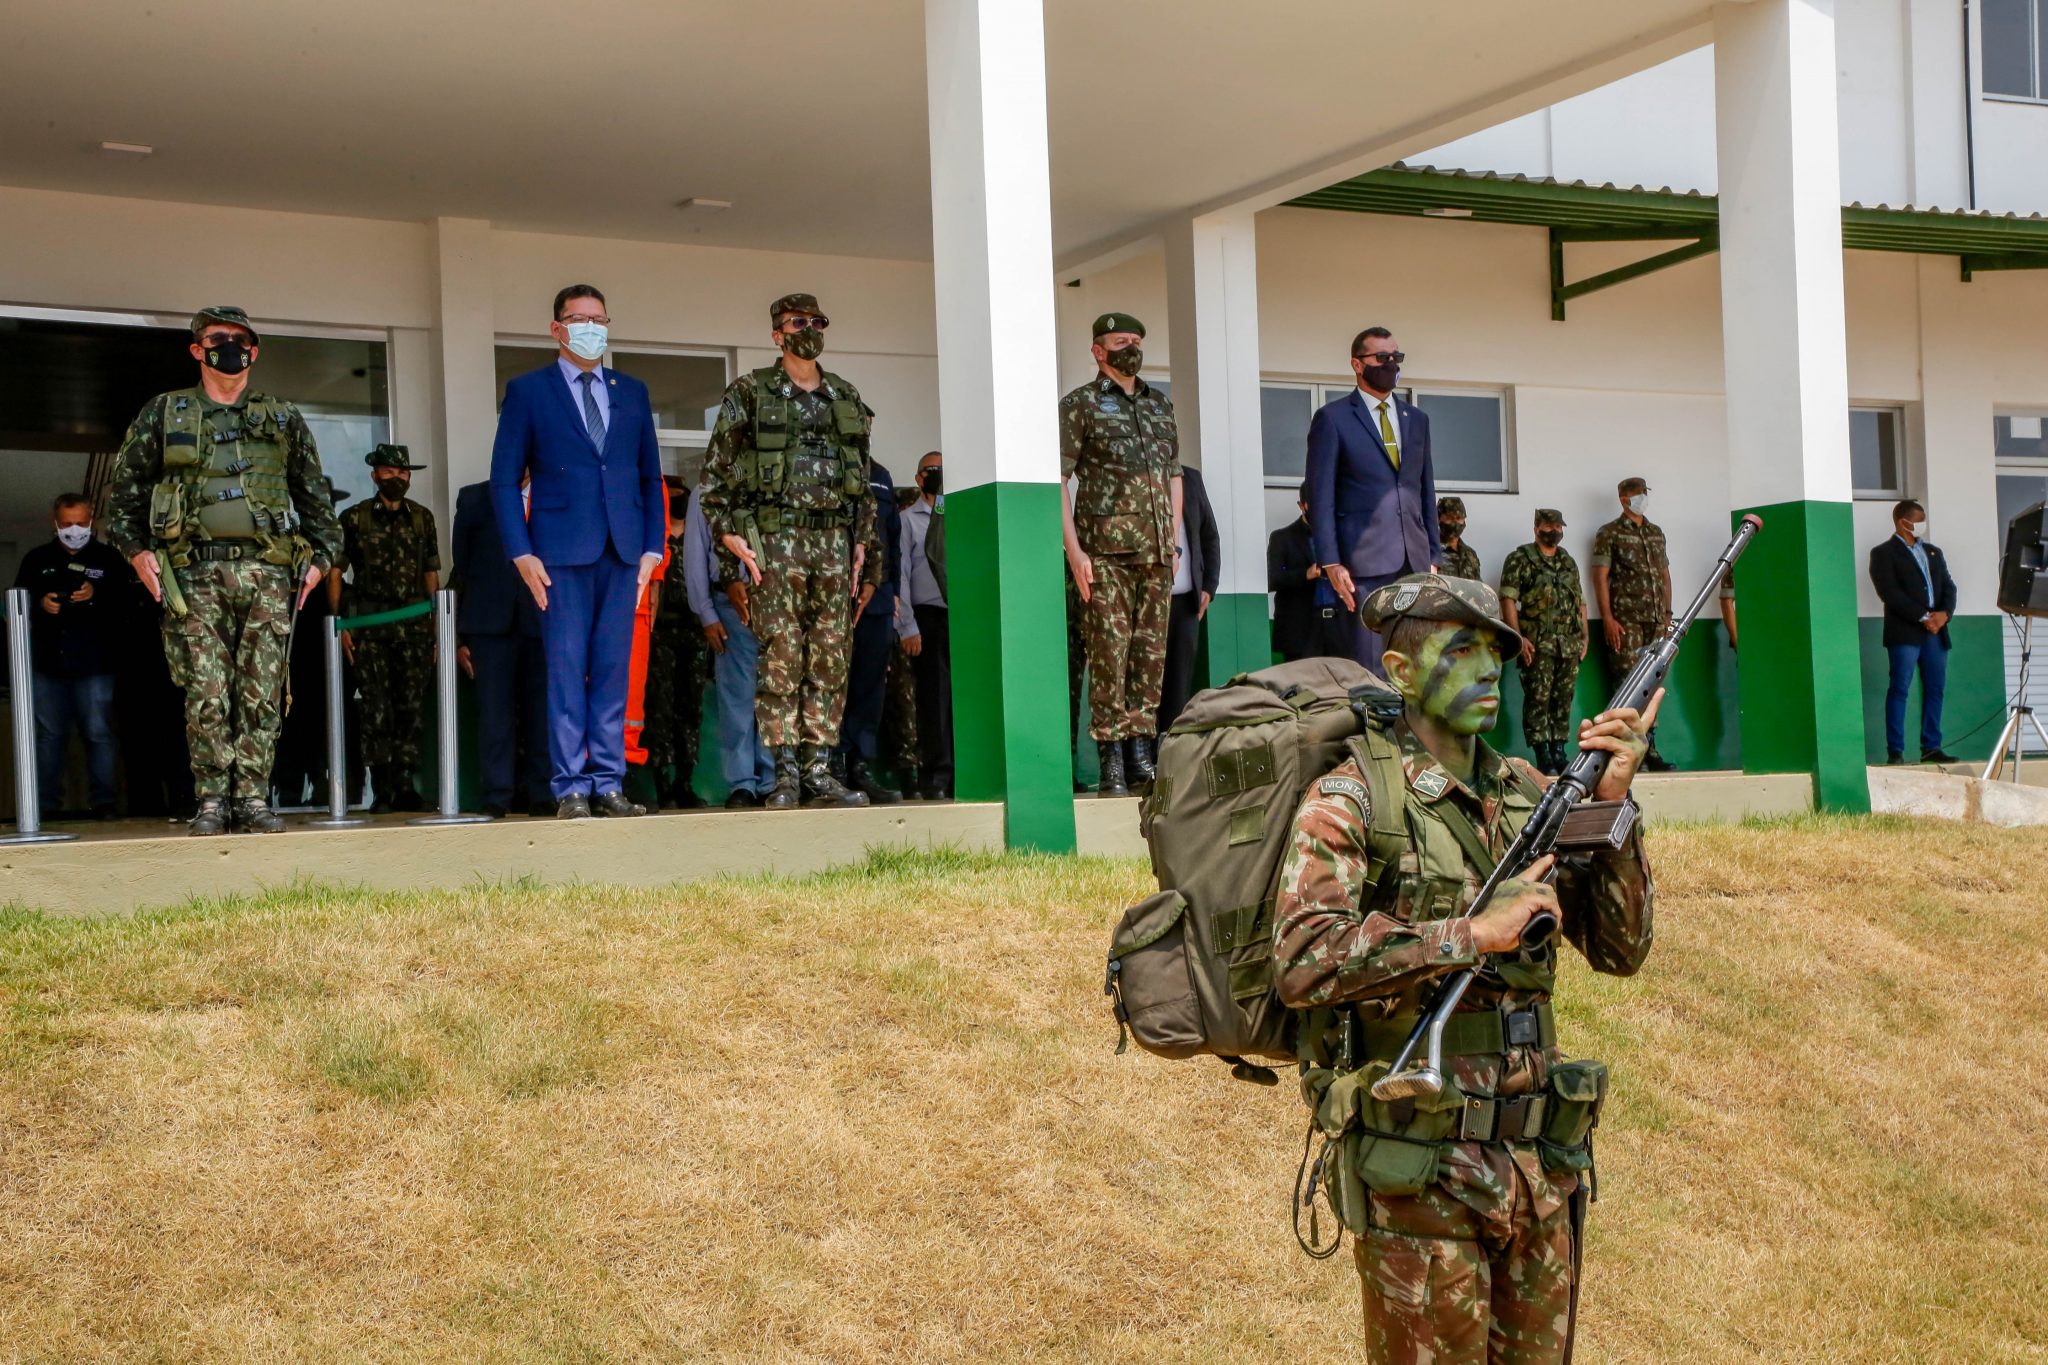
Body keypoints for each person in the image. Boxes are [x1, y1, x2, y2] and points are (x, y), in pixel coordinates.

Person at [1273, 573, 1655, 1365]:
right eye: (1461, 650)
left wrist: (1615, 810)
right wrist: (1472, 933)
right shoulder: (1353, 798)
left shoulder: (1530, 794)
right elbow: (1304, 958)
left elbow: (1621, 951)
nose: (1488, 669)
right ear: (1403, 673)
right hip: (1424, 1171)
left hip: (1539, 1166)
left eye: (1495, 652)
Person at [105, 305, 342, 836]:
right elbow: (123, 499)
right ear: (196, 348)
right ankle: (212, 799)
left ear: (254, 350)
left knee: (261, 693)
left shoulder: (283, 417)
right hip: (193, 576)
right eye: (217, 338)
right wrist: (138, 554)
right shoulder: (164, 414)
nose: (228, 346)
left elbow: (316, 501)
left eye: (239, 339)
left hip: (268, 573)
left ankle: (253, 797)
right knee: (207, 692)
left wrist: (319, 561)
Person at [489, 284, 664, 819]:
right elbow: (502, 480)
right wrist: (521, 552)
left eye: (598, 318)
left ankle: (608, 784)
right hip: (559, 555)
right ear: (556, 329)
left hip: (622, 552)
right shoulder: (529, 390)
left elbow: (646, 474)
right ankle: (570, 788)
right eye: (578, 318)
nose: (590, 327)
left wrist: (653, 548)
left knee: (613, 670)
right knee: (566, 671)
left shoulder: (631, 390)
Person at [699, 292, 875, 810]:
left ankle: (821, 772)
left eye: (817, 321)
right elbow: (716, 480)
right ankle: (785, 777)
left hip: (834, 543)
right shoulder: (750, 392)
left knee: (829, 659)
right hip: (775, 543)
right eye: (798, 322)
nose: (809, 329)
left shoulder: (845, 395)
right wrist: (730, 543)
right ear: (777, 334)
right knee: (780, 659)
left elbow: (862, 484)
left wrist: (862, 544)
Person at [1059, 311, 1182, 796]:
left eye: (1135, 340)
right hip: (1104, 554)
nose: (1129, 347)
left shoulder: (1159, 406)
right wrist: (1074, 551)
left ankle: (1140, 750)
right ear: (1097, 351)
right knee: (1109, 655)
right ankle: (1110, 754)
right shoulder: (1080, 405)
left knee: (1149, 656)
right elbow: (1057, 479)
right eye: (1118, 341)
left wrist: (1173, 541)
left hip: (1155, 552)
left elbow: (1175, 476)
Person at [1304, 327, 1439, 675]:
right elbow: (1321, 496)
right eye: (1381, 358)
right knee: (1371, 668)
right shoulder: (1333, 419)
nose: (1391, 364)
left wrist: (1434, 554)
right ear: (1357, 364)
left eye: (1396, 357)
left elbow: (1425, 491)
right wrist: (1331, 561)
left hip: (1415, 563)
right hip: (1362, 567)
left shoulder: (1417, 420)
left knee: (1417, 662)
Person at [332, 444, 437, 812]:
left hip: (413, 627)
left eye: (403, 473)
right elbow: (335, 573)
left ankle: (407, 785)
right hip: (369, 628)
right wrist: (339, 623)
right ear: (375, 474)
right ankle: (382, 790)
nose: (397, 479)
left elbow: (430, 575)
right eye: (389, 472)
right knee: (375, 709)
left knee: (410, 707)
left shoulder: (422, 518)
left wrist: (437, 627)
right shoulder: (354, 518)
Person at [13, 493, 127, 819]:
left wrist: (95, 595)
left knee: (99, 733)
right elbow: (15, 605)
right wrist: (42, 603)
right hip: (48, 665)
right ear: (55, 523)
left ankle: (104, 804)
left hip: (96, 665)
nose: (74, 529)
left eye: (80, 523)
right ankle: (44, 807)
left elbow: (126, 605)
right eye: (67, 524)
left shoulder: (109, 559)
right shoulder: (36, 559)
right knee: (48, 738)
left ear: (91, 521)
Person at [453, 477, 551, 817]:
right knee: (495, 713)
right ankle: (497, 795)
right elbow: (462, 562)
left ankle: (542, 793)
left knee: (542, 713)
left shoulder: (553, 491)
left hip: (541, 620)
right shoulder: (475, 497)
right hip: (489, 622)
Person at [679, 483, 775, 809]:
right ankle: (743, 784)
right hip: (730, 604)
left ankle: (773, 783)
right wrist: (705, 612)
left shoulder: (779, 479)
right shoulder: (706, 490)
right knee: (737, 698)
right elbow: (694, 554)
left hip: (781, 604)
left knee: (778, 694)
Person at [272, 476, 356, 808]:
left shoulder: (334, 538)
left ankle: (327, 783)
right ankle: (290, 784)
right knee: (289, 713)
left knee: (329, 713)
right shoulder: (283, 537)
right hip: (292, 634)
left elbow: (342, 578)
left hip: (327, 635)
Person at [1590, 477, 1673, 771]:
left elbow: (1664, 575)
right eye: (1637, 494)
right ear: (1623, 499)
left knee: (1653, 681)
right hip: (1625, 621)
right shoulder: (1609, 533)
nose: (1642, 498)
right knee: (1627, 683)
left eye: (1644, 493)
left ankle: (1650, 748)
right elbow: (1600, 576)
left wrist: (1666, 615)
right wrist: (1608, 618)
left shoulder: (1655, 533)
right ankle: (1627, 750)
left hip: (1654, 620)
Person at [1499, 508, 1589, 775]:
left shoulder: (1567, 560)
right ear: (1536, 528)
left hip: (1568, 644)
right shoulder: (1520, 559)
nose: (1554, 531)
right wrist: (1519, 638)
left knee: (1563, 699)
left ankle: (1560, 751)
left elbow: (1580, 601)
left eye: (1558, 527)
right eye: (1549, 527)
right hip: (1538, 644)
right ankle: (1543, 755)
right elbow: (1508, 599)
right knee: (1538, 699)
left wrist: (1585, 635)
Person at [836, 454, 904, 804]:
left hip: (877, 599)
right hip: (834, 595)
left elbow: (892, 540)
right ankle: (831, 765)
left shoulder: (880, 475)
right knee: (832, 681)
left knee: (870, 686)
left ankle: (860, 765)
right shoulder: (829, 463)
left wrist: (893, 593)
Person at [1869, 498, 1958, 766]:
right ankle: (1895, 751)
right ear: (1902, 522)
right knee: (1900, 688)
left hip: (1936, 631)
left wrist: (1944, 615)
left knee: (1935, 689)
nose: (1922, 524)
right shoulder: (1883, 553)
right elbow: (1889, 592)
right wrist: (1922, 617)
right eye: (1918, 520)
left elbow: (1949, 587)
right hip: (1905, 632)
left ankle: (1931, 747)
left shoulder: (1933, 552)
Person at [641, 477, 712, 808]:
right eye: (673, 497)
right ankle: (663, 783)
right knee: (660, 711)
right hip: (661, 636)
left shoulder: (697, 539)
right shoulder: (656, 541)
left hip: (695, 635)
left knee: (690, 711)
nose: (679, 501)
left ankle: (685, 782)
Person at [896, 451, 953, 799]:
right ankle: (937, 777)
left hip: (960, 619)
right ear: (919, 478)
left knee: (960, 701)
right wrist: (908, 626)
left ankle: (962, 773)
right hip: (926, 620)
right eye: (933, 471)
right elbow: (900, 575)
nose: (939, 476)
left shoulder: (956, 514)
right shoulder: (907, 520)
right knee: (934, 701)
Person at [1157, 462, 1220, 733]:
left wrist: (1209, 586)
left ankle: (1170, 748)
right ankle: (1142, 752)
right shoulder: (1140, 475)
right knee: (1148, 682)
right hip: (1147, 604)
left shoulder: (1191, 479)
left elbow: (1209, 535)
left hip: (1185, 603)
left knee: (1179, 680)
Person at [1268, 485, 1352, 663]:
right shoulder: (1282, 538)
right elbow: (1270, 579)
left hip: (1340, 625)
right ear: (1302, 505)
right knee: (1301, 686)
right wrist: (1305, 574)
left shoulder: (1344, 536)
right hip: (1301, 629)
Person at [1438, 496, 1480, 581]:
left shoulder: (1470, 555)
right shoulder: (1430, 553)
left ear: (1464, 520)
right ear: (1438, 519)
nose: (1454, 523)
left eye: (1458, 518)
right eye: (1449, 518)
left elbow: (1478, 588)